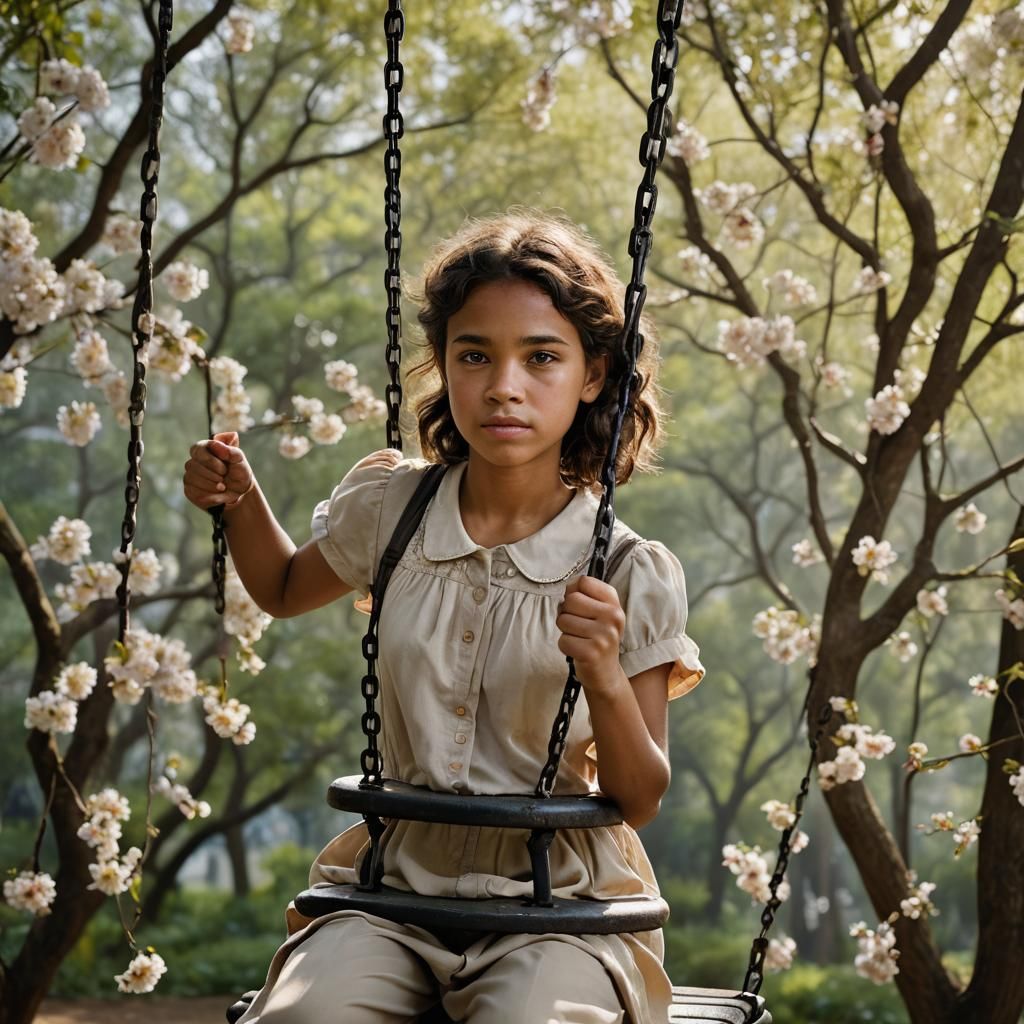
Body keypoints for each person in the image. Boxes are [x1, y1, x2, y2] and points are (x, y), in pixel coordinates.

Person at [182, 210, 705, 1024]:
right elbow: (282, 588)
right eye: (475, 356)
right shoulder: (395, 508)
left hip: (555, 908)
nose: (504, 385)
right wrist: (240, 498)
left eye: (542, 358)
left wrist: (602, 671)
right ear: (446, 368)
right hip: (393, 891)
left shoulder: (627, 571)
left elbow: (639, 796)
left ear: (593, 375)